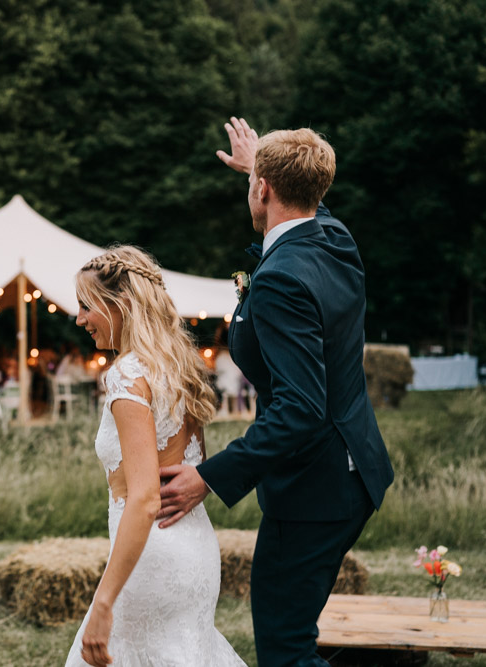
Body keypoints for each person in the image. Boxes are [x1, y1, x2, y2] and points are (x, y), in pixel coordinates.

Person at [158, 117, 395, 666]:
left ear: (263, 190)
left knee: (286, 649)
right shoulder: (334, 239)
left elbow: (300, 409)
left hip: (316, 489)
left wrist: (209, 478)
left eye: (253, 182)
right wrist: (260, 167)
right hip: (354, 470)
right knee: (295, 634)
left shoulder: (282, 277)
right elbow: (309, 204)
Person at [66, 246, 245, 667]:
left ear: (121, 305)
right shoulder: (180, 367)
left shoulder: (127, 374)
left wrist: (103, 603)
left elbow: (144, 498)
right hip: (195, 552)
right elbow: (194, 466)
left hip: (153, 558)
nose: (79, 319)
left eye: (86, 306)